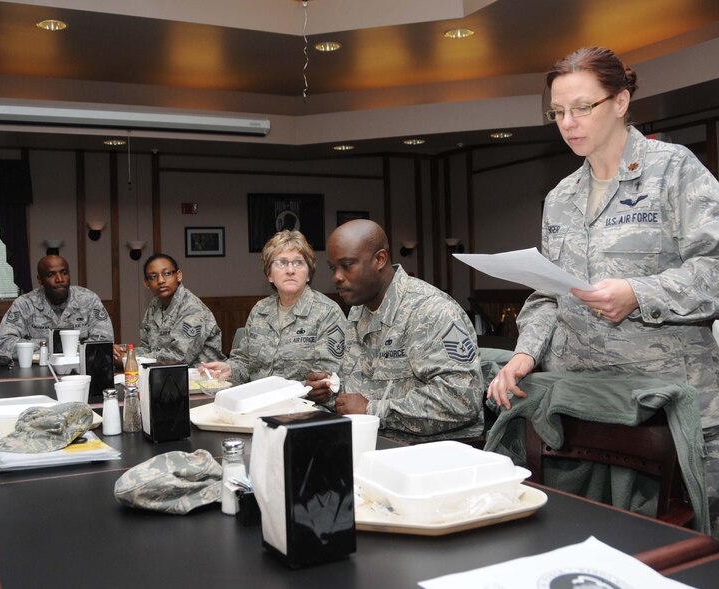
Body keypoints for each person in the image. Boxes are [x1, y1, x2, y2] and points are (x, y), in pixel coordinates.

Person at [486, 47, 719, 532]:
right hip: (583, 418)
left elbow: (714, 267)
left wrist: (639, 293)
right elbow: (549, 293)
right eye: (558, 113)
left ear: (619, 101)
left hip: (668, 415)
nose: (568, 123)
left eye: (582, 108)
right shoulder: (561, 197)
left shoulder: (673, 171)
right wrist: (525, 354)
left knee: (680, 555)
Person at [306, 219, 484, 440]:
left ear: (380, 259)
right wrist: (328, 393)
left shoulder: (431, 310)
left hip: (431, 454)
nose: (337, 277)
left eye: (347, 265)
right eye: (333, 268)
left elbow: (463, 400)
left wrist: (373, 410)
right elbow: (359, 395)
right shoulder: (358, 310)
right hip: (372, 445)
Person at [202, 230, 348, 383]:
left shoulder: (328, 312)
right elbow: (244, 362)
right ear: (269, 274)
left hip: (305, 404)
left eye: (298, 263)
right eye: (282, 263)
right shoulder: (260, 310)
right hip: (257, 401)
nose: (290, 270)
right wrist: (229, 369)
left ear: (309, 274)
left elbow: (327, 377)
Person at [0, 254, 114, 356]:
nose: (60, 279)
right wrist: (48, 346)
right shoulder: (25, 304)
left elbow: (105, 341)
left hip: (80, 370)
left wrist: (43, 348)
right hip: (38, 372)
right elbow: (3, 343)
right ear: (40, 279)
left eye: (64, 273)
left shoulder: (88, 299)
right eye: (51, 274)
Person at [131, 253, 225, 365]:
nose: (161, 280)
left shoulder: (192, 309)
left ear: (178, 275)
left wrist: (132, 360)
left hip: (204, 377)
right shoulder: (155, 304)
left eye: (167, 273)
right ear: (146, 283)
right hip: (167, 375)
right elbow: (147, 348)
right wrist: (127, 354)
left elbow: (179, 357)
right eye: (153, 277)